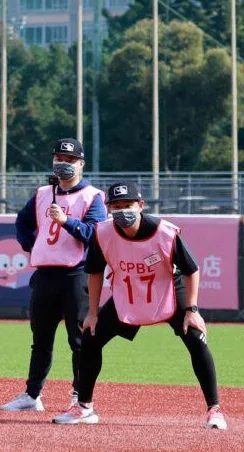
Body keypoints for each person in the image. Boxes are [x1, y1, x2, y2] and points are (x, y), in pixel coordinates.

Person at [53, 181, 227, 429]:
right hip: (128, 292)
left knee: (196, 337)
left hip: (168, 288)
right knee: (91, 337)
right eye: (116, 206)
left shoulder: (165, 232)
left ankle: (214, 409)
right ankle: (84, 407)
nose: (122, 211)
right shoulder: (102, 233)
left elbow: (192, 270)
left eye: (128, 205)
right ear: (108, 208)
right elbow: (94, 272)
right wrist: (92, 313)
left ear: (141, 205)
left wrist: (192, 310)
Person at [2, 138, 106, 413]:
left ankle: (79, 396)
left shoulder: (93, 196)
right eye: (59, 158)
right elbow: (22, 221)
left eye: (70, 160)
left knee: (80, 341)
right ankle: (32, 395)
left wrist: (66, 221)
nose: (64, 164)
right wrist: (31, 244)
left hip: (76, 274)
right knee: (41, 339)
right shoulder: (42, 193)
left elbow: (95, 234)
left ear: (81, 164)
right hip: (45, 274)